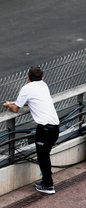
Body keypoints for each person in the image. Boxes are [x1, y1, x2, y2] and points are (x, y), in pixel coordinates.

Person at [3, 66, 60, 195]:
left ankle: (48, 185)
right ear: (42, 77)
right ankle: (46, 181)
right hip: (54, 126)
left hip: (45, 128)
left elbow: (16, 109)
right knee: (45, 155)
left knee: (43, 157)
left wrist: (8, 106)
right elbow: (32, 100)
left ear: (28, 77)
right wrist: (14, 102)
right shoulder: (44, 85)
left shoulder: (26, 88)